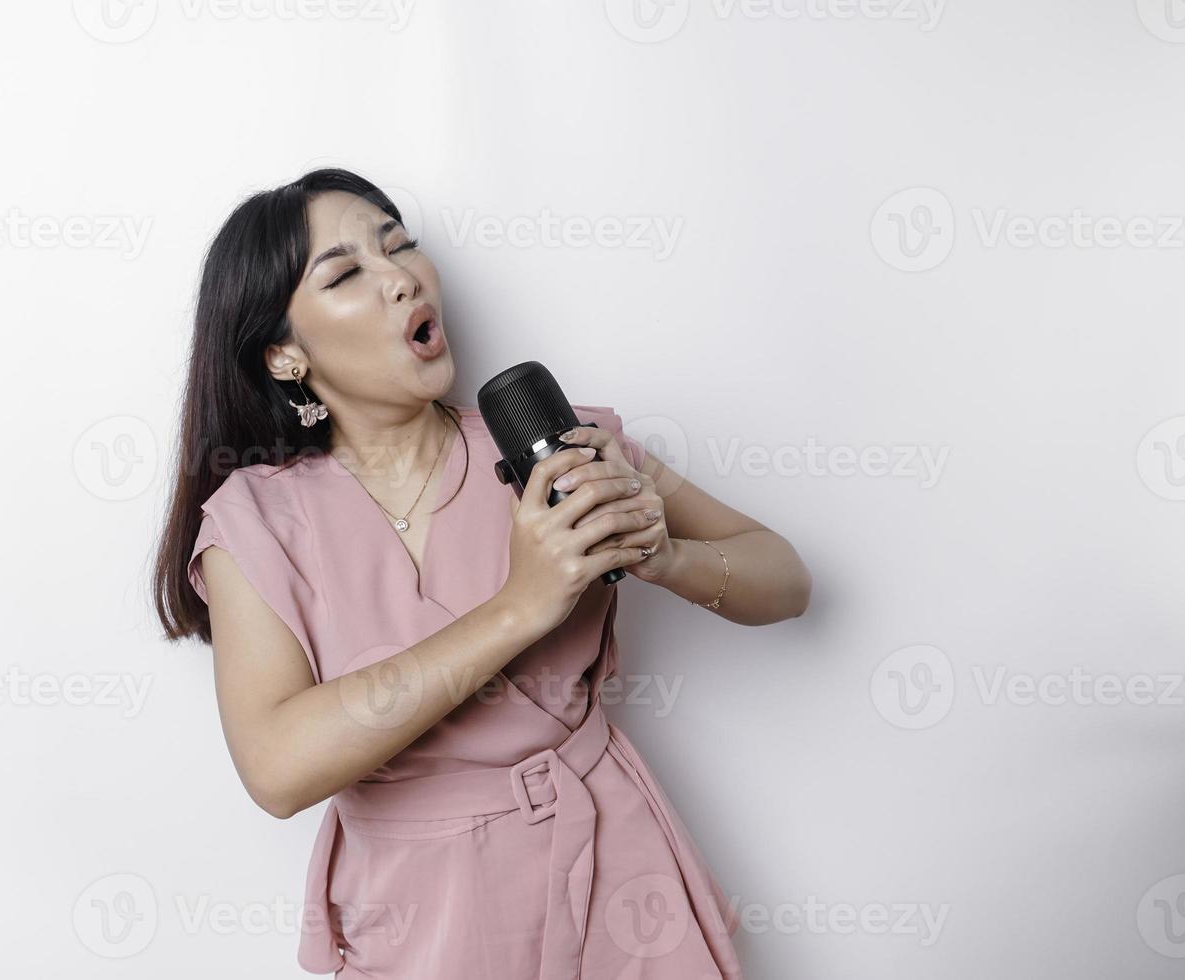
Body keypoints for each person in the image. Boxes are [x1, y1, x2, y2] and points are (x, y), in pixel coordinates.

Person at [153, 167, 812, 979]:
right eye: (348, 272)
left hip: (619, 876)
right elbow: (277, 767)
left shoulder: (563, 449)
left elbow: (785, 578)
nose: (400, 279)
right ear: (285, 353)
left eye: (400, 247)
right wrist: (523, 604)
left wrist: (662, 554)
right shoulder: (255, 521)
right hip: (422, 922)